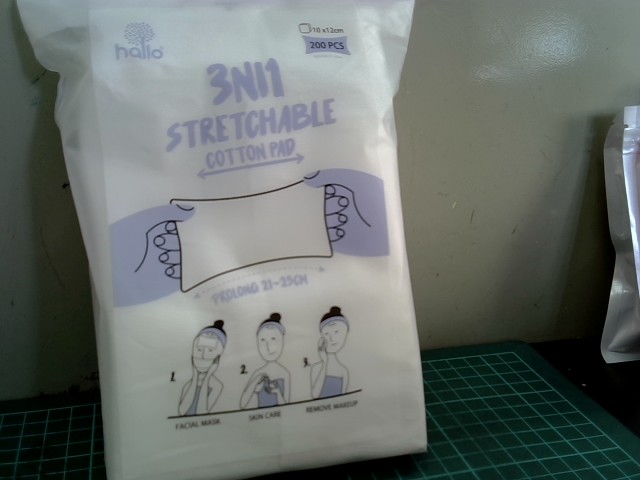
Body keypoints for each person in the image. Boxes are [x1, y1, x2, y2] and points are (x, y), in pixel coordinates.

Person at [240, 313, 291, 409]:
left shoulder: (285, 374)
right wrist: (254, 388)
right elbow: (243, 404)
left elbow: (287, 406)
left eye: (273, 339)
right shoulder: (258, 374)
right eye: (262, 340)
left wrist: (278, 392)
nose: (268, 347)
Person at [178, 320, 226, 416]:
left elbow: (202, 413)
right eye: (199, 349)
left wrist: (207, 377)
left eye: (210, 350)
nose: (203, 356)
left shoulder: (216, 385)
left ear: (217, 357)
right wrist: (195, 376)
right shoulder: (188, 385)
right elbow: (182, 412)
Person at [311, 306, 350, 399]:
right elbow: (315, 395)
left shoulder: (343, 371)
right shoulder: (316, 368)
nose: (331, 338)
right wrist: (324, 363)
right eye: (326, 334)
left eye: (336, 332)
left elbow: (343, 400)